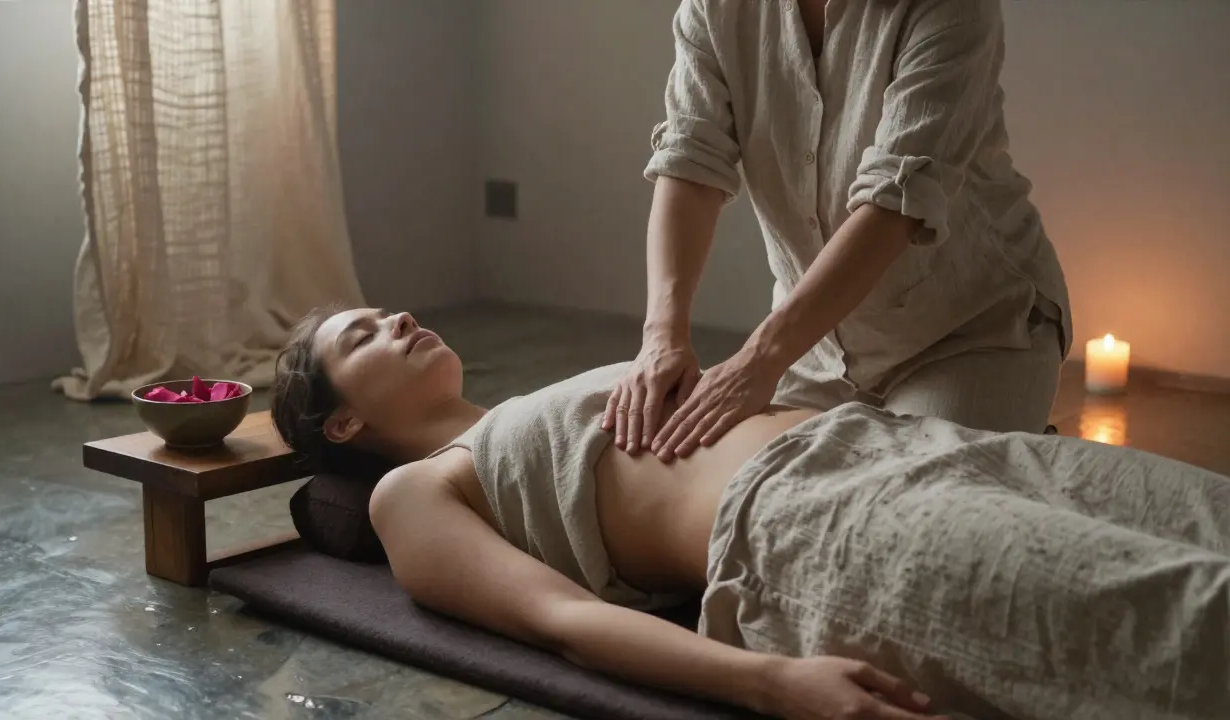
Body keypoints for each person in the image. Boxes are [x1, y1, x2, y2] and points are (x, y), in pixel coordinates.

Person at [272, 306, 1230, 720]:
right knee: (1182, 621)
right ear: (344, 419)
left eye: (386, 311)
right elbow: (563, 622)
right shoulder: (414, 493)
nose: (395, 320)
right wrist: (773, 684)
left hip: (902, 443)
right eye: (363, 334)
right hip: (813, 530)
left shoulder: (525, 408)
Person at [606, 0, 1074, 464]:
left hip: (971, 330)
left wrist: (761, 358)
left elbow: (894, 203)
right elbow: (691, 159)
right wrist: (661, 336)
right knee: (751, 489)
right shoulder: (714, 7)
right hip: (815, 343)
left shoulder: (952, 7)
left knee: (905, 502)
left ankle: (1022, 452)